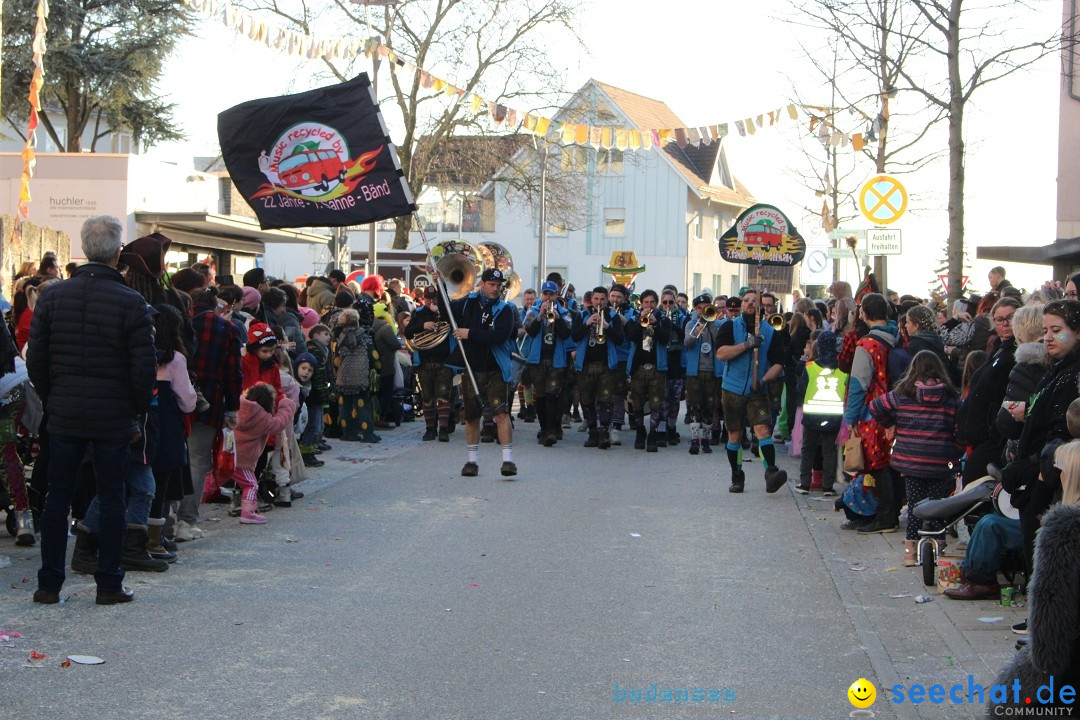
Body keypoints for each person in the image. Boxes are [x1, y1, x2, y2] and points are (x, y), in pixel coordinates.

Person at [28, 215, 156, 606]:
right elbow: (143, 369)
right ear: (118, 252)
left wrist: (53, 398)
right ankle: (108, 582)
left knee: (57, 496)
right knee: (112, 494)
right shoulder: (132, 302)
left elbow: (37, 359)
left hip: (65, 411)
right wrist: (135, 413)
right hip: (113, 416)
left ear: (84, 248)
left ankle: (49, 583)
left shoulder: (52, 297)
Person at [988, 439, 1080, 713]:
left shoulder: (1065, 531)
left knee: (1008, 704)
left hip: (1071, 671)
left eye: (1059, 468)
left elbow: (1052, 623)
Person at [999, 300, 1080, 587]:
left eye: (1056, 330)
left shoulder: (1073, 373)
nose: (1047, 337)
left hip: (1053, 482)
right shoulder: (1056, 369)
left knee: (1050, 567)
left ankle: (1047, 626)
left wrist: (1035, 473)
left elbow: (1062, 434)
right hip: (1037, 476)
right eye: (1045, 330)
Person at [870, 350, 963, 565]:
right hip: (940, 461)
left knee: (914, 505)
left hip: (911, 462)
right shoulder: (951, 397)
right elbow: (960, 428)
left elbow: (875, 407)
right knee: (938, 504)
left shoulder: (903, 393)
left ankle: (910, 550)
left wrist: (890, 424)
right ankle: (939, 546)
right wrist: (955, 450)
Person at [443, 268, 517, 477]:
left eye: (498, 285)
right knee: (471, 416)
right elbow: (446, 310)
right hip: (471, 368)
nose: (496, 288)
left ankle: (508, 461)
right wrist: (437, 284)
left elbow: (499, 336)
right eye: (491, 284)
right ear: (482, 284)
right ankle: (471, 462)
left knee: (501, 414)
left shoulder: (506, 309)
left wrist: (469, 333)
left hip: (496, 369)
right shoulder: (468, 302)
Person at [715, 289, 788, 493]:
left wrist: (763, 379)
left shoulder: (771, 332)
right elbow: (721, 354)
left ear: (760, 307)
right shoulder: (730, 326)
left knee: (762, 430)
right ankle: (737, 476)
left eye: (753, 301)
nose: (749, 304)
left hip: (757, 389)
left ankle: (771, 472)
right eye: (746, 300)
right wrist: (746, 345)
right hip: (732, 389)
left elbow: (779, 363)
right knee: (735, 435)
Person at [843, 293, 902, 533]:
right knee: (890, 463)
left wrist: (851, 417)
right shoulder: (898, 338)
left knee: (877, 465)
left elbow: (858, 383)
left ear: (864, 314)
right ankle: (888, 511)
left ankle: (884, 517)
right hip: (896, 407)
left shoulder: (867, 344)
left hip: (873, 412)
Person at [230, 383, 295, 524]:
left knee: (210, 482)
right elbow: (279, 422)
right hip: (242, 461)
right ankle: (248, 513)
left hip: (228, 455)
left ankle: (189, 504)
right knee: (251, 484)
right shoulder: (262, 419)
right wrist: (286, 403)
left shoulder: (238, 406)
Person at [570, 286, 624, 450]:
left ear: (607, 300)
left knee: (605, 400)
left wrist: (607, 326)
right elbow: (575, 336)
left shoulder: (614, 317)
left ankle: (603, 433)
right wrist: (587, 324)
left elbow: (620, 340)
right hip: (586, 364)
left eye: (602, 299)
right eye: (596, 299)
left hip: (606, 365)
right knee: (587, 400)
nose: (599, 302)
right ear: (591, 300)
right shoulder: (582, 315)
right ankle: (593, 432)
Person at [795, 330, 846, 495]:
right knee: (829, 450)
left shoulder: (810, 367)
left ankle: (804, 484)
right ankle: (828, 486)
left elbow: (801, 389)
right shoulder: (843, 369)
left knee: (808, 449)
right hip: (834, 415)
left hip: (812, 415)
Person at [523, 280, 574, 447]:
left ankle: (551, 430)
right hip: (537, 360)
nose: (548, 297)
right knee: (541, 396)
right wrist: (539, 317)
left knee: (552, 395)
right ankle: (544, 429)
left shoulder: (564, 312)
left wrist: (557, 318)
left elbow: (567, 334)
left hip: (555, 359)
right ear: (542, 295)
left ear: (557, 295)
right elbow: (529, 330)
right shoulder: (533, 310)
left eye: (551, 294)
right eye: (545, 294)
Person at [624, 290, 672, 453]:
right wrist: (640, 322)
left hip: (657, 368)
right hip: (638, 367)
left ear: (656, 303)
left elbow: (666, 339)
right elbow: (631, 336)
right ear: (641, 304)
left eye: (652, 302)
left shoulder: (664, 320)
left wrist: (655, 324)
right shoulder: (633, 319)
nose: (649, 305)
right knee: (636, 404)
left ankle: (653, 434)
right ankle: (640, 431)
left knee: (656, 403)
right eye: (646, 302)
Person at [404, 287, 453, 442]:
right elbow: (408, 333)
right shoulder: (418, 313)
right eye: (429, 298)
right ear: (424, 298)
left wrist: (441, 312)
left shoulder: (446, 313)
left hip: (444, 360)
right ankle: (430, 429)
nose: (432, 301)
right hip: (424, 361)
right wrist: (422, 326)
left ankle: (443, 429)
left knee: (443, 396)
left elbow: (455, 326)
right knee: (427, 397)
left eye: (435, 298)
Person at [683, 294, 722, 456]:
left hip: (712, 372)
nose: (702, 311)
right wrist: (697, 330)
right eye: (699, 308)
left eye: (705, 307)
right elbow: (687, 343)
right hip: (695, 372)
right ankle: (694, 440)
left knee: (709, 406)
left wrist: (711, 324)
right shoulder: (691, 324)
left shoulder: (717, 325)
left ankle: (705, 439)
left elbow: (719, 342)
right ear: (694, 309)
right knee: (694, 405)